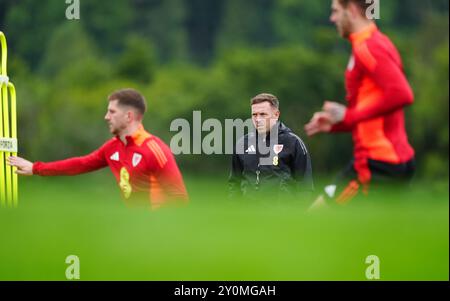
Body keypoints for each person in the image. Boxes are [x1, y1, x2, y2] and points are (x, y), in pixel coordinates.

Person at [305, 0, 415, 205]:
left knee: (316, 221)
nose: (332, 18)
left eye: (336, 11)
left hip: (376, 164)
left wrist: (349, 116)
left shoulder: (368, 47)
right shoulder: (376, 42)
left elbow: (402, 94)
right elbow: (376, 110)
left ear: (352, 10)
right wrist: (338, 124)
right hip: (388, 160)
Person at [7, 88, 188, 209]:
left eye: (112, 112)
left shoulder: (155, 149)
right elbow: (80, 164)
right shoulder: (112, 148)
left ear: (129, 116)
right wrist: (35, 168)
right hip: (133, 233)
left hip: (158, 235)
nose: (106, 117)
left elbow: (179, 198)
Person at [229, 93, 313, 202]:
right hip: (248, 215)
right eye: (254, 115)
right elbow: (234, 183)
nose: (258, 119)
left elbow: (305, 186)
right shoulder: (242, 143)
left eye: (263, 114)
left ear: (276, 114)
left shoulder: (293, 142)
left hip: (281, 215)